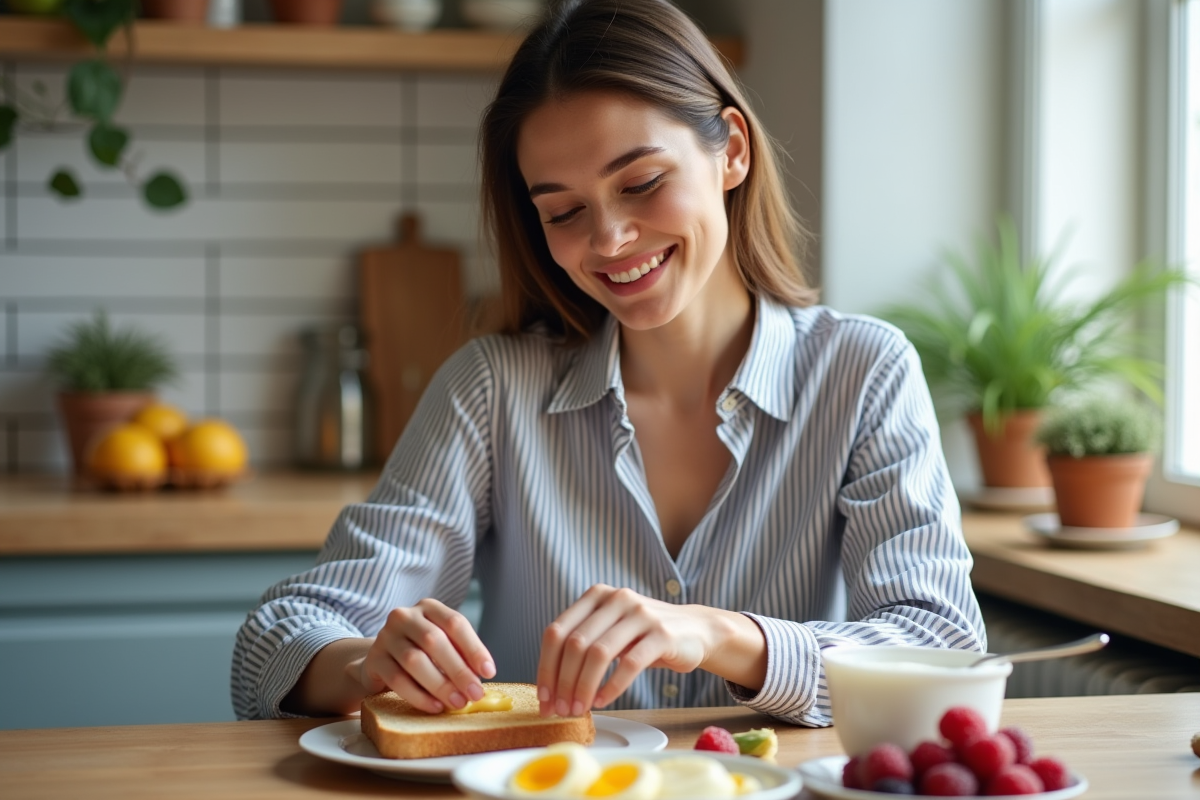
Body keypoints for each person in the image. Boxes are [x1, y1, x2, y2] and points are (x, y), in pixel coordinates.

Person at [232, 0, 985, 727]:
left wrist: (715, 636)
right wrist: (368, 664)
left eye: (642, 183)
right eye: (563, 212)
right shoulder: (492, 389)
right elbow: (274, 637)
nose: (611, 239)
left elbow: (942, 646)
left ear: (732, 150)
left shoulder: (864, 372)